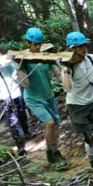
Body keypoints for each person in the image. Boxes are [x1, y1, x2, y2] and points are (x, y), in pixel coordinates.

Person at [58, 31, 93, 172]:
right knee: (89, 135)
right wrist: (66, 69)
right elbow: (67, 88)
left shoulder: (91, 58)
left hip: (91, 102)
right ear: (72, 49)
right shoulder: (68, 66)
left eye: (84, 45)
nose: (84, 48)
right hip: (76, 105)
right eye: (80, 46)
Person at [17, 27, 67, 168]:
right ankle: (56, 154)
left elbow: (57, 73)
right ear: (28, 43)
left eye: (39, 44)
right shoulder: (23, 59)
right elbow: (25, 84)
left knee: (52, 126)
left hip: (48, 96)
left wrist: (65, 85)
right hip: (33, 98)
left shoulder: (45, 56)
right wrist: (17, 67)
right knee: (49, 123)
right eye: (35, 44)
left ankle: (49, 153)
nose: (38, 47)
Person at [0, 36, 30, 157]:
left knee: (21, 113)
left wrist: (13, 62)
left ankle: (26, 132)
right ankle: (20, 145)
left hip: (16, 91)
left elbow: (16, 72)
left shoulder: (8, 58)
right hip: (4, 95)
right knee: (12, 120)